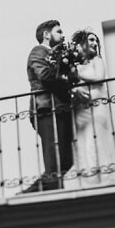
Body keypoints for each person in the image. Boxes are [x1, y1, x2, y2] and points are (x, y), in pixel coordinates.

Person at [24, 19, 76, 191]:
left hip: (60, 108)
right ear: (46, 34)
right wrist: (67, 79)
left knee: (66, 161)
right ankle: (32, 196)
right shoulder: (38, 51)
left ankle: (36, 193)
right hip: (47, 108)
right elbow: (45, 75)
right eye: (59, 32)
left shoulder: (56, 55)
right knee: (54, 163)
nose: (63, 35)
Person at [70, 28, 115, 186]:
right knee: (83, 145)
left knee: (96, 143)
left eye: (96, 40)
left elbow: (99, 78)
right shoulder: (73, 64)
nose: (95, 43)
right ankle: (89, 181)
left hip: (96, 108)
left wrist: (77, 73)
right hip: (81, 110)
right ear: (81, 43)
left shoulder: (97, 60)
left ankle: (105, 179)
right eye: (90, 40)